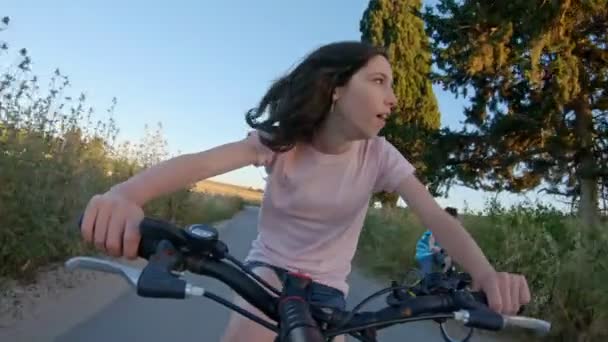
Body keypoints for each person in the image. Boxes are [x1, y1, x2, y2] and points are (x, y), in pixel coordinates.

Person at [79, 41, 531, 342]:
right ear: (336, 89)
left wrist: (486, 276)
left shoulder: (380, 154)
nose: (393, 97)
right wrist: (124, 194)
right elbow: (201, 163)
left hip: (330, 291)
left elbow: (433, 216)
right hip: (266, 271)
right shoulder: (285, 140)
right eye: (379, 81)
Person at [415, 207, 459, 275]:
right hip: (425, 251)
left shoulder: (452, 229)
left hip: (438, 252)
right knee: (427, 274)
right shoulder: (437, 227)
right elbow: (432, 242)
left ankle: (444, 276)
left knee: (449, 261)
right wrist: (434, 247)